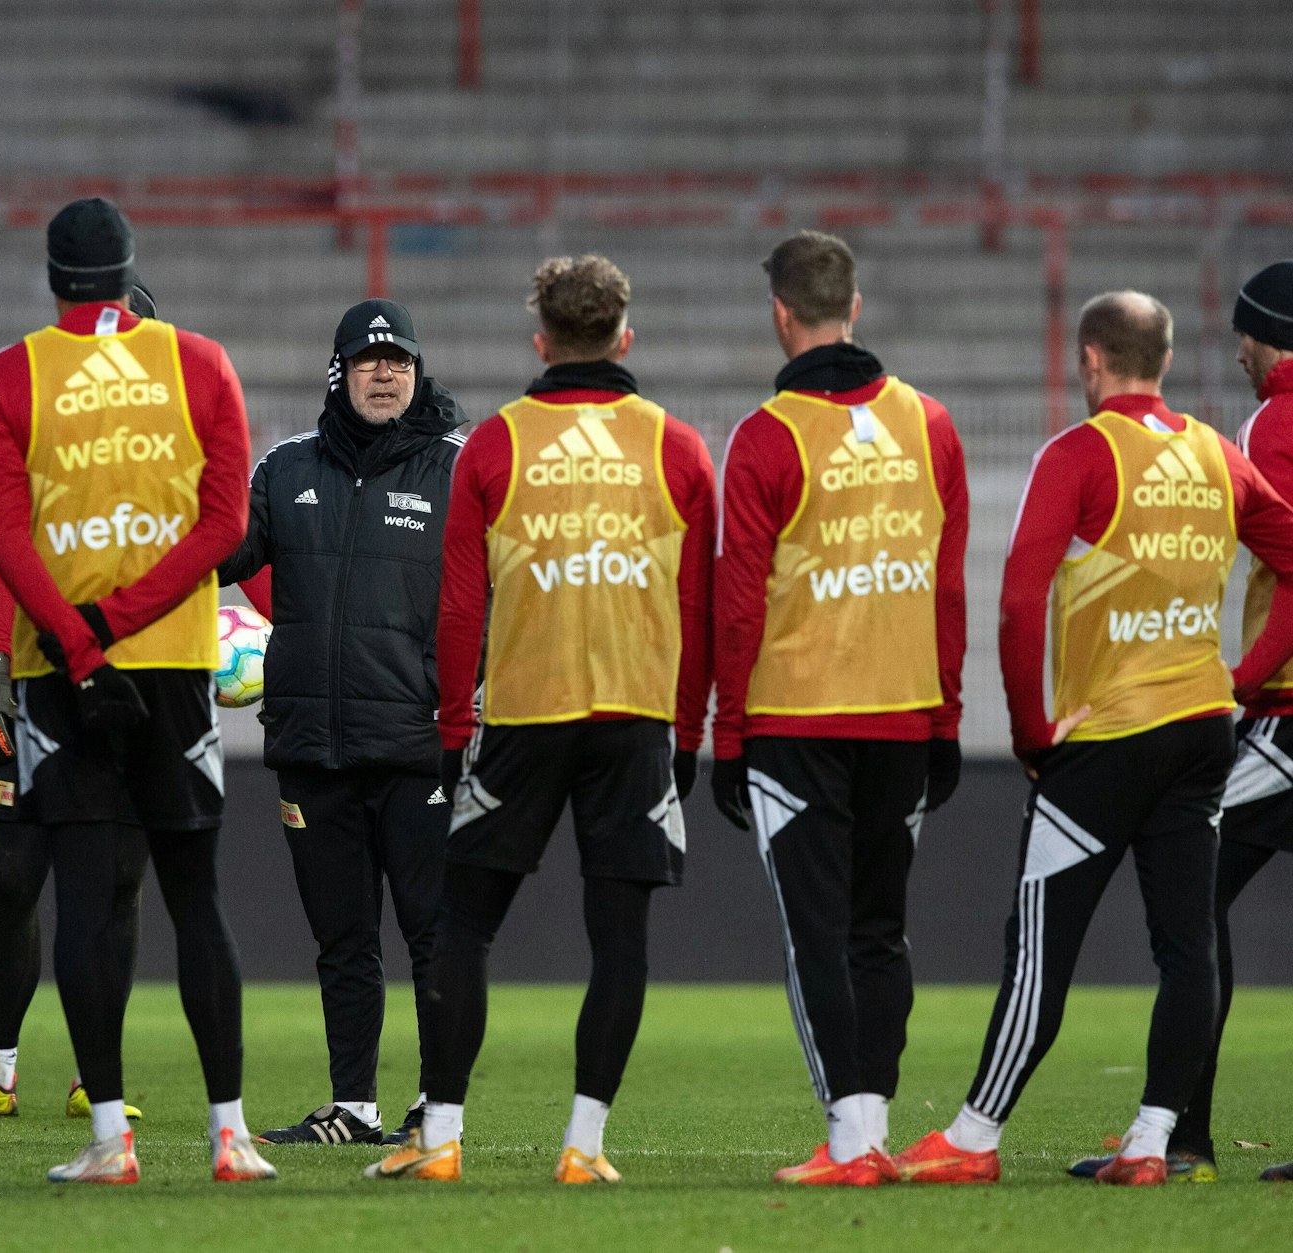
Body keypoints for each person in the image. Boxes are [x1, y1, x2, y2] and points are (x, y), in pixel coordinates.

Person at [895, 291, 1293, 1186]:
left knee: (1041, 940)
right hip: (1202, 733)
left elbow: (1019, 599)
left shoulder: (1078, 454)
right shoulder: (1215, 455)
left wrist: (1033, 731)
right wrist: (1246, 676)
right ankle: (1153, 1142)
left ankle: (973, 1134)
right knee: (1188, 944)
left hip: (1108, 735)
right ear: (1163, 358)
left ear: (1090, 361)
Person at [368, 254, 714, 1184]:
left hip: (523, 718)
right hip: (636, 720)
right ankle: (584, 1147)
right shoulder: (677, 449)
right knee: (621, 937)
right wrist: (688, 733)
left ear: (542, 340)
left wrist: (450, 728)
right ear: (625, 336)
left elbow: (458, 608)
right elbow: (700, 604)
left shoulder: (496, 445)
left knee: (462, 925)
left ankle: (439, 1139)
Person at [0, 197, 274, 1185]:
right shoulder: (200, 362)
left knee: (87, 904)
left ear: (52, 278)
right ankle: (230, 1133)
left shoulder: (7, 374)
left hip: (57, 678)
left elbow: (6, 539)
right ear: (129, 269)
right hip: (177, 668)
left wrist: (79, 639)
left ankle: (109, 1138)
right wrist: (123, 622)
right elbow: (224, 524)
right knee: (194, 897)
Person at [709, 231, 968, 1185]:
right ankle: (876, 1130)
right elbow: (947, 587)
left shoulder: (768, 436)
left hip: (796, 723)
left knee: (815, 932)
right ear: (853, 306)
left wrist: (725, 735)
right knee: (880, 929)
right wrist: (946, 719)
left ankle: (853, 1141)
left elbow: (739, 601)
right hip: (903, 714)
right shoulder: (931, 425)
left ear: (782, 315)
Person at [213, 298, 466, 1148]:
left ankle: (438, 1103)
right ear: (340, 373)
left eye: (400, 361)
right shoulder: (286, 470)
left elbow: (502, 590)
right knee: (342, 938)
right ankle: (353, 1104)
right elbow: (218, 552)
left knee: (434, 934)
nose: (386, 373)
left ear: (419, 374)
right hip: (312, 748)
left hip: (419, 748)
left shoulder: (458, 470)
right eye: (368, 361)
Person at [0, 282, 157, 1128]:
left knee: (117, 880)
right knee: (15, 875)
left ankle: (99, 1075)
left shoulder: (162, 441)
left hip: (129, 683)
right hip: (19, 678)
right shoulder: (37, 418)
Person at [1108, 261, 1293, 1186]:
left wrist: (1241, 680)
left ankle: (1180, 1133)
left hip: (1287, 720)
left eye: (1250, 339)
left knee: (1193, 897)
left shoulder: (1272, 423)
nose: (1243, 356)